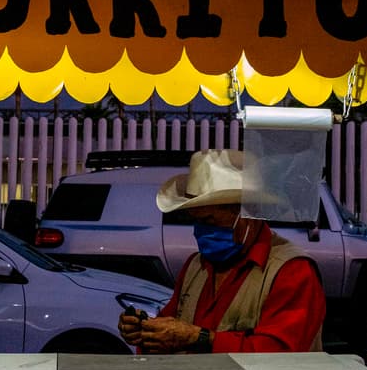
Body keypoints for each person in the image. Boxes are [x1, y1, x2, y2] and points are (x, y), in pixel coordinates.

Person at [117, 149, 327, 353]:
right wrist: (147, 332)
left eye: (210, 221)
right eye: (196, 221)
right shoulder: (196, 266)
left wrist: (197, 338)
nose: (200, 231)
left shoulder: (292, 271)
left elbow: (280, 353)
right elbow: (170, 331)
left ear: (247, 214)